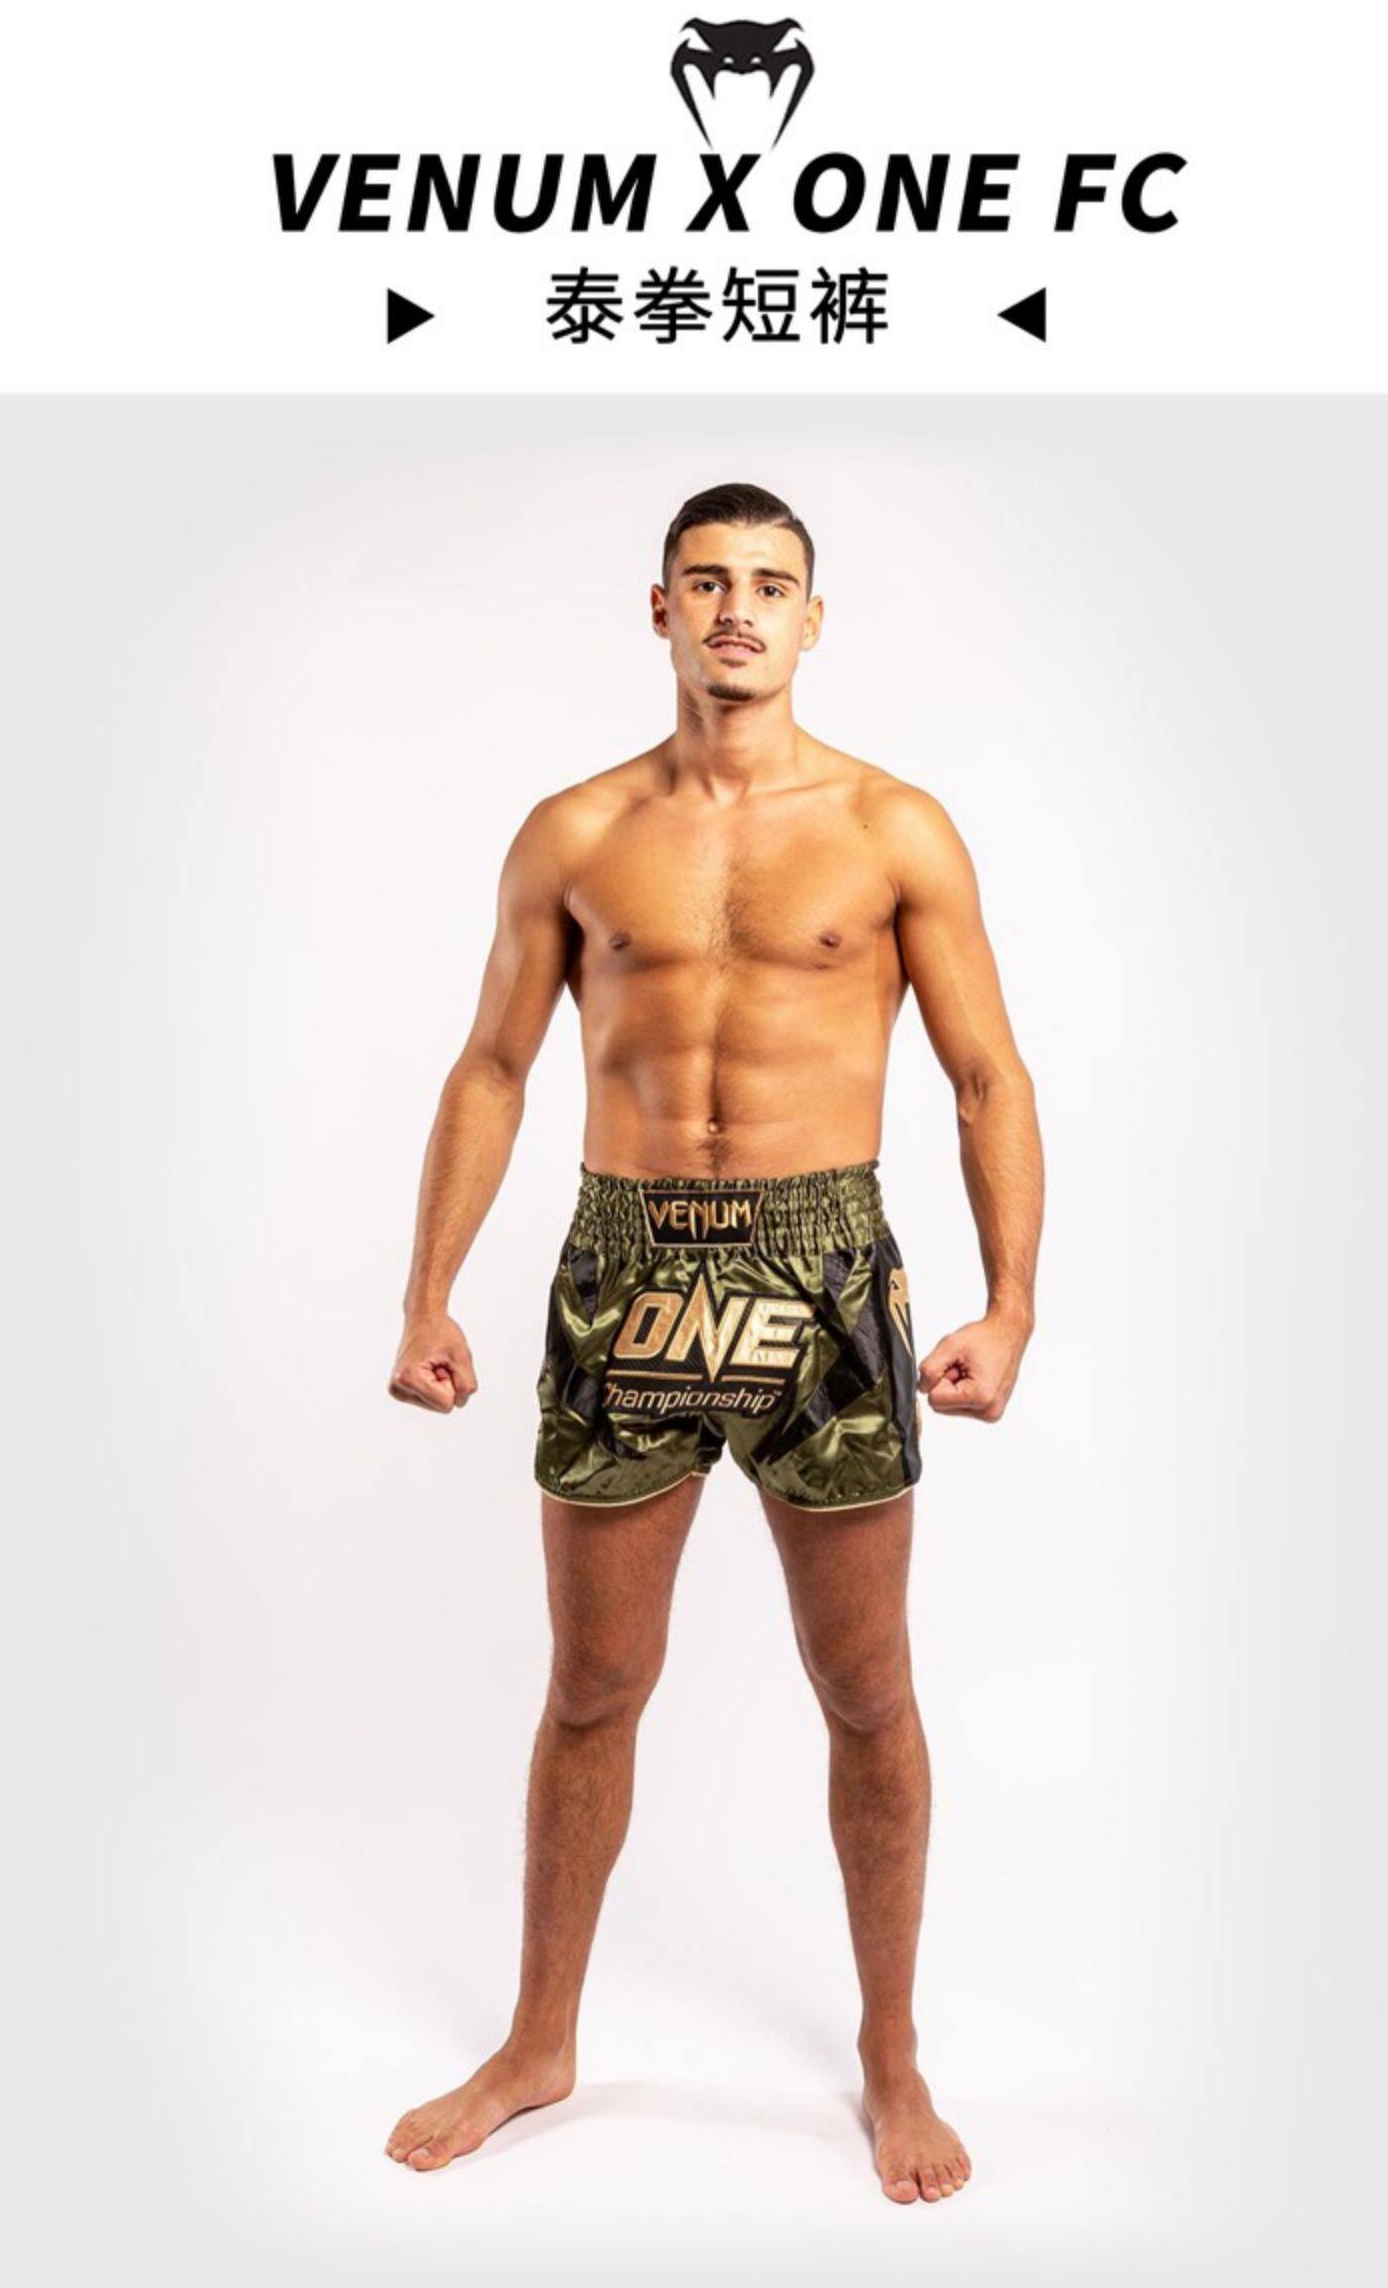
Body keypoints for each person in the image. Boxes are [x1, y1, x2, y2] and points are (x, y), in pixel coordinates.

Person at [383, 481, 1044, 2204]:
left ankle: (890, 2051)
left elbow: (987, 1074)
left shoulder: (895, 828)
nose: (737, 606)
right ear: (660, 607)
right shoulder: (576, 832)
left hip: (826, 1277)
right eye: (706, 579)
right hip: (625, 1276)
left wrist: (1011, 1304)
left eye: (771, 582)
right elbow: (494, 1066)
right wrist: (427, 1290)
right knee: (594, 1685)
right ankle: (540, 2038)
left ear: (813, 617)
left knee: (866, 1686)